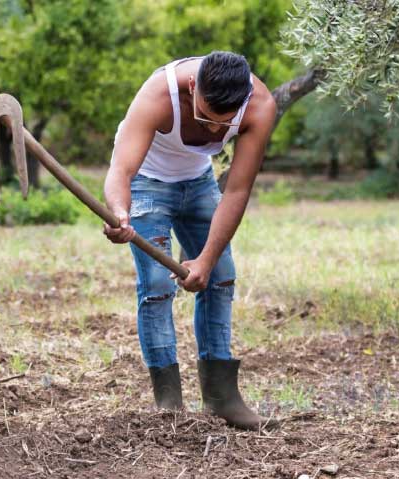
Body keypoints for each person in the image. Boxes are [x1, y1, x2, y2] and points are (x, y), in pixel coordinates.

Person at [103, 51, 277, 431]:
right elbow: (122, 168)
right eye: (205, 119)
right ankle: (169, 406)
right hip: (146, 181)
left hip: (198, 183)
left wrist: (206, 259)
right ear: (193, 87)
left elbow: (236, 191)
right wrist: (119, 212)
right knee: (157, 284)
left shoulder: (260, 106)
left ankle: (222, 399)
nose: (216, 132)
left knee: (221, 277)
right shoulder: (159, 94)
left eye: (225, 123)